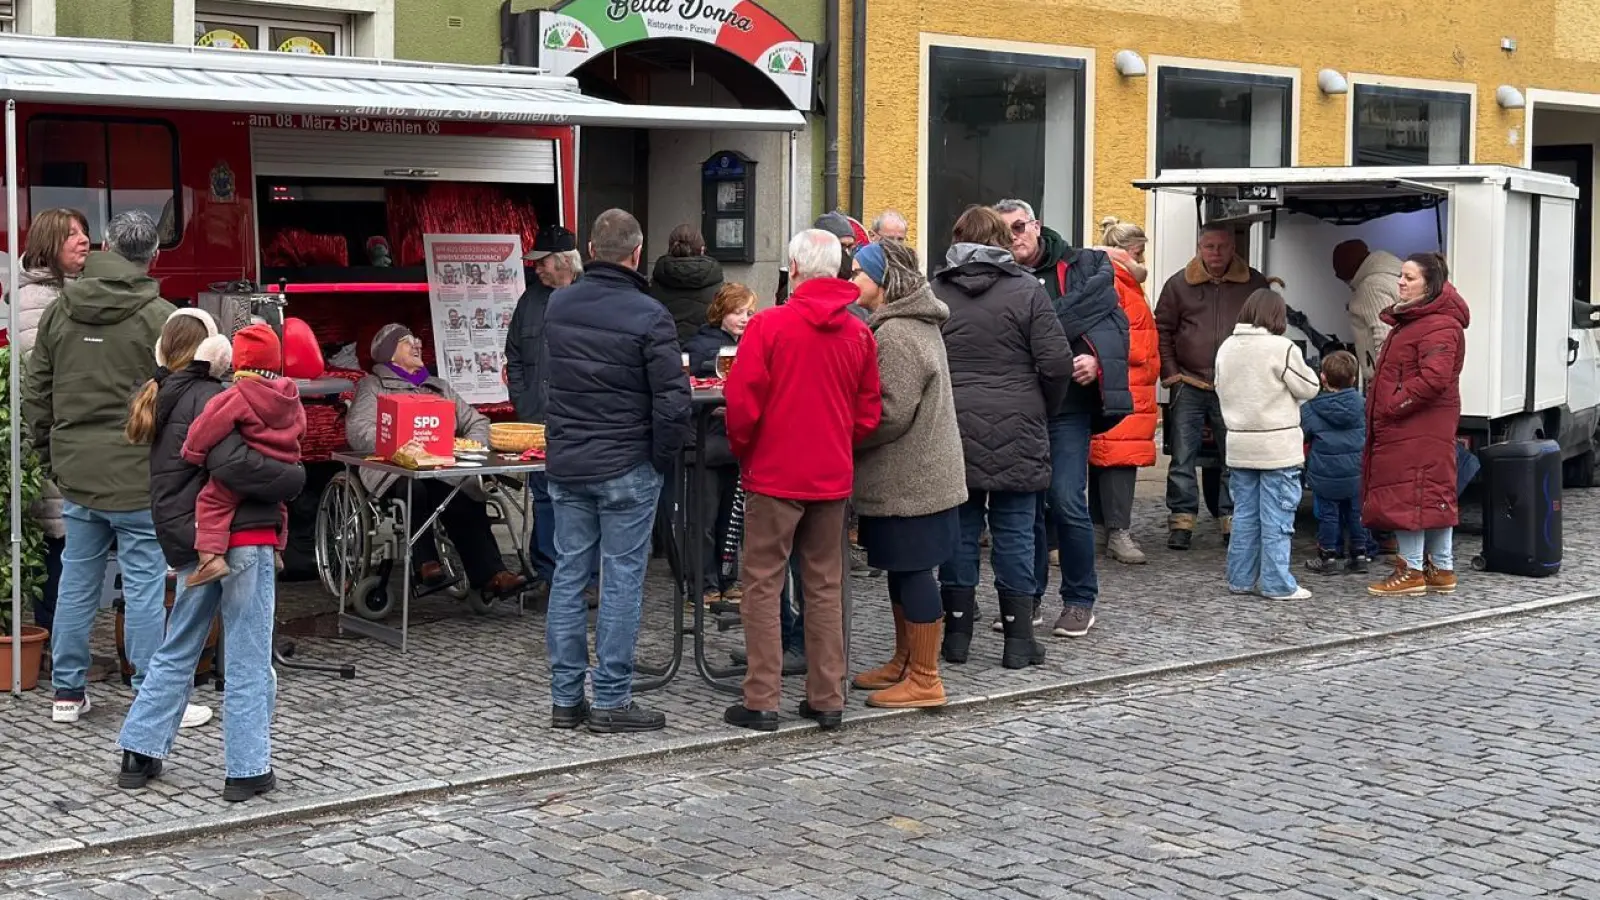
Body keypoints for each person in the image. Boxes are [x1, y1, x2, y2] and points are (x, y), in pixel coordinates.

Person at [117, 311, 305, 801]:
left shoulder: (164, 397)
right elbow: (233, 463)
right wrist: (294, 479)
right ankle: (247, 769)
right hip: (242, 538)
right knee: (247, 653)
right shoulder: (218, 397)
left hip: (192, 544)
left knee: (178, 646)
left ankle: (139, 751)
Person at [723, 228, 881, 732]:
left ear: (792, 267)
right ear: (837, 269)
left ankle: (762, 697)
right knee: (824, 585)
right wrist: (837, 443)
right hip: (830, 474)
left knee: (763, 585)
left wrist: (747, 452)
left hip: (773, 472)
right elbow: (868, 412)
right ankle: (827, 696)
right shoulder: (859, 332)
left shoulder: (769, 326)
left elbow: (742, 405)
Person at [24, 210, 178, 725]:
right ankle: (147, 693)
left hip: (77, 472)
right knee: (142, 585)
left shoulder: (59, 310)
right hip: (138, 474)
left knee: (76, 581)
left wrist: (52, 456)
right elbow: (184, 403)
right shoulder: (162, 317)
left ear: (107, 245)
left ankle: (67, 693)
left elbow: (37, 393)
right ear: (152, 255)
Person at [542, 208, 691, 734]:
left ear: (589, 248)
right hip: (626, 462)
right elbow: (673, 404)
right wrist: (661, 458)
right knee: (621, 580)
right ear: (637, 253)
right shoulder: (650, 314)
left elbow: (550, 384)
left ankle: (565, 701)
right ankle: (610, 698)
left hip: (569, 460)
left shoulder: (558, 304)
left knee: (568, 575)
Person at [928, 206, 1071, 667]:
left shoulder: (936, 292)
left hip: (954, 423)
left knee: (959, 532)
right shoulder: (1027, 291)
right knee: (1014, 532)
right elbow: (1055, 364)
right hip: (1019, 421)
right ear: (1001, 241)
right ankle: (1017, 642)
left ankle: (956, 637)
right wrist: (1039, 405)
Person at [993, 198, 1130, 640]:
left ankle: (1078, 600)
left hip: (1068, 406)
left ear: (1036, 226)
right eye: (1003, 231)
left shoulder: (1082, 267)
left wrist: (1096, 362)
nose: (1012, 237)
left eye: (1017, 227)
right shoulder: (998, 276)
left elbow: (1115, 328)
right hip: (1019, 406)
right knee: (1024, 506)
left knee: (1066, 501)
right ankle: (1025, 598)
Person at [844, 239, 967, 707]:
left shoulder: (896, 333)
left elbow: (890, 413)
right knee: (903, 570)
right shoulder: (912, 324)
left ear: (883, 280)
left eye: (858, 272)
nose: (851, 280)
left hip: (912, 478)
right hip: (918, 474)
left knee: (914, 572)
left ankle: (925, 676)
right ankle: (904, 661)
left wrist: (846, 434)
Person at [347, 324, 527, 599]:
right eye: (408, 342)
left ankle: (492, 574)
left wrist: (471, 445)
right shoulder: (373, 387)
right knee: (415, 489)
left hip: (443, 469)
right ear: (390, 354)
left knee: (461, 494)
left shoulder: (439, 386)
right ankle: (425, 562)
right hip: (395, 471)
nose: (418, 344)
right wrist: (401, 444)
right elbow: (358, 430)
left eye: (417, 339)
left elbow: (477, 422)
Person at [1154, 223, 1271, 551]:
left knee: (1232, 455)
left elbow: (1267, 329)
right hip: (1188, 382)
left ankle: (1230, 520)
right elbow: (1162, 329)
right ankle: (1181, 521)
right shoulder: (1178, 284)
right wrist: (1172, 373)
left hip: (1234, 384)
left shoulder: (1254, 283)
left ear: (1233, 248)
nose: (1216, 253)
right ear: (1199, 248)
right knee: (1182, 456)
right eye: (1210, 247)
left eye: (1222, 247)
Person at [1363, 253, 1469, 597]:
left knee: (1411, 494)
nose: (1401, 283)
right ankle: (1441, 568)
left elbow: (1434, 378)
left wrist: (1394, 404)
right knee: (1432, 493)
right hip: (1418, 426)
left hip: (1415, 426)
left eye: (1410, 278)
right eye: (1401, 276)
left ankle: (1411, 569)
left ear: (1431, 283)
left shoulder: (1438, 323)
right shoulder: (1417, 320)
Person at [13, 207, 91, 642]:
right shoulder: (37, 302)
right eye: (72, 235)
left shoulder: (69, 292)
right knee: (57, 544)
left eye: (84, 232)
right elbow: (48, 381)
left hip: (68, 441)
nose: (83, 240)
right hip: (52, 442)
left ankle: (62, 647)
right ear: (48, 245)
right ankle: (57, 649)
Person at [1214, 289, 1321, 601]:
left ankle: (1240, 579)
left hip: (1239, 445)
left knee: (1245, 516)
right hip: (1276, 447)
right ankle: (1277, 584)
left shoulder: (1227, 348)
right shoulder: (1282, 347)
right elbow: (1310, 387)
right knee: (1277, 518)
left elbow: (1220, 388)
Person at [178, 325, 305, 586]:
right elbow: (301, 429)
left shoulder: (238, 395)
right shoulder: (290, 395)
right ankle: (279, 551)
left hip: (247, 469)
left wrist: (192, 453)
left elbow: (207, 426)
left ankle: (211, 559)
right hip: (281, 465)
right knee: (279, 506)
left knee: (212, 500)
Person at [506, 225, 582, 595]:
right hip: (537, 417)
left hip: (581, 420)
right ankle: (548, 574)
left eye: (542, 262)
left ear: (564, 262)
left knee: (580, 496)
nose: (536, 268)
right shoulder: (529, 300)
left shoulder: (588, 297)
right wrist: (523, 401)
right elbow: (514, 355)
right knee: (544, 496)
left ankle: (584, 577)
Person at [1089, 217, 1159, 565]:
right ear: (1132, 251)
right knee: (1118, 459)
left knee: (1108, 456)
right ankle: (1117, 532)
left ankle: (1101, 529)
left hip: (1125, 382)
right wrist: (1142, 354)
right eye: (1142, 251)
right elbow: (1114, 332)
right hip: (1124, 381)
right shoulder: (1117, 281)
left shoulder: (1117, 279)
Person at [684, 282, 757, 607]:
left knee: (729, 518)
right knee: (706, 518)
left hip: (729, 444)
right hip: (708, 444)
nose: (744, 318)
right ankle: (704, 583)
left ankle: (725, 578)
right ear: (722, 313)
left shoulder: (742, 344)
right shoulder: (704, 346)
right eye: (738, 312)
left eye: (748, 312)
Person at [1301, 350, 1371, 575]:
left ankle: (1328, 557)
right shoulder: (1363, 405)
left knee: (1328, 515)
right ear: (1353, 379)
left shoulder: (1311, 408)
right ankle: (1360, 554)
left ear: (1323, 377)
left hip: (1325, 472)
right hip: (1356, 471)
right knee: (1356, 513)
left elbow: (1305, 433)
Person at [1331, 239, 1403, 385]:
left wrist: (1386, 383)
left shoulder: (1371, 287)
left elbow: (1385, 334)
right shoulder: (1393, 276)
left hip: (1387, 380)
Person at [650, 224, 725, 343]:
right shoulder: (715, 279)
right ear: (702, 249)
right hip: (706, 351)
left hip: (665, 349)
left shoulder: (658, 277)